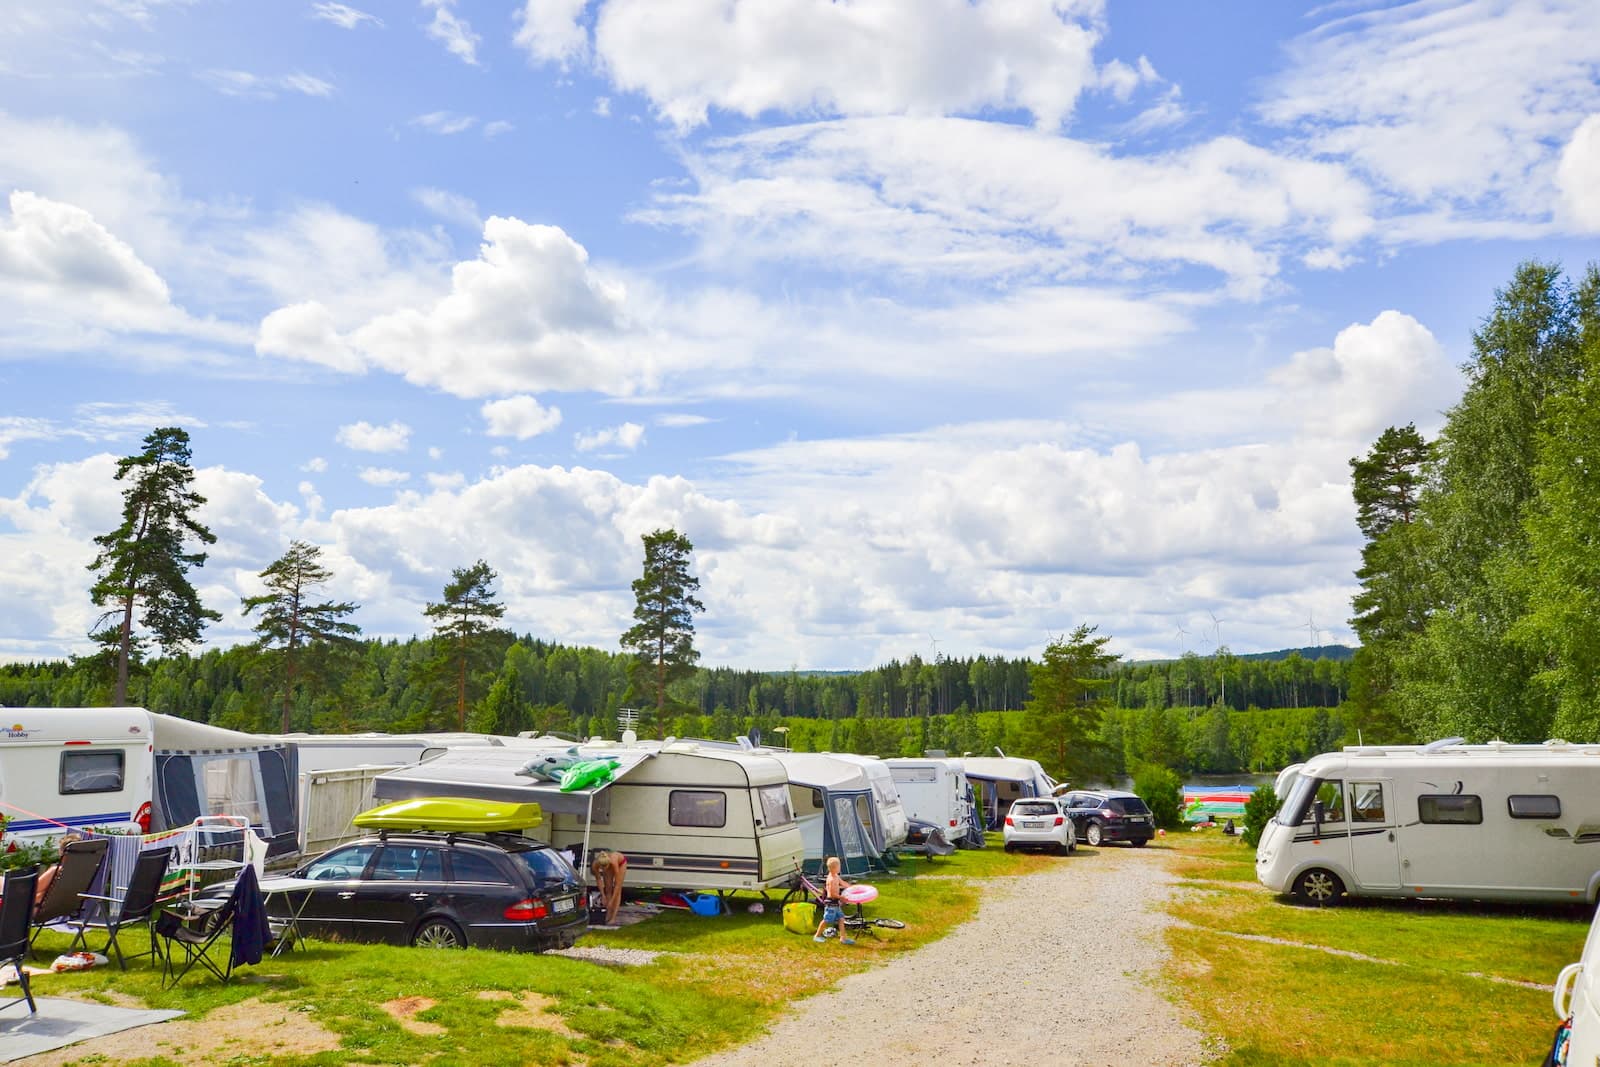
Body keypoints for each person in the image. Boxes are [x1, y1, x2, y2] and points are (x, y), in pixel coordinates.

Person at [813, 855, 856, 946]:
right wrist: (841, 898)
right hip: (831, 904)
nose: (840, 868)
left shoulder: (835, 875)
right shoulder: (831, 879)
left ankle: (843, 938)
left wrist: (852, 888)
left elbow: (842, 883)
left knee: (841, 918)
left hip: (835, 904)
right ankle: (817, 935)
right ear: (834, 868)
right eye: (839, 866)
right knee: (826, 920)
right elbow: (832, 894)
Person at [34, 832, 85, 905]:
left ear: (63, 853)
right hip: (66, 907)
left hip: (44, 909)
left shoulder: (56, 871)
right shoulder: (84, 871)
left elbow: (32, 890)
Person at [590, 849, 628, 925]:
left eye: (605, 867)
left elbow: (617, 885)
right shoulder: (595, 864)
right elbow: (599, 880)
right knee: (608, 889)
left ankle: (613, 917)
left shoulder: (613, 862)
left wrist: (611, 901)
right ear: (599, 865)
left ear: (608, 863)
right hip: (608, 864)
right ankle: (608, 914)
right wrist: (603, 895)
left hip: (620, 863)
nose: (604, 869)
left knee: (617, 891)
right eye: (602, 868)